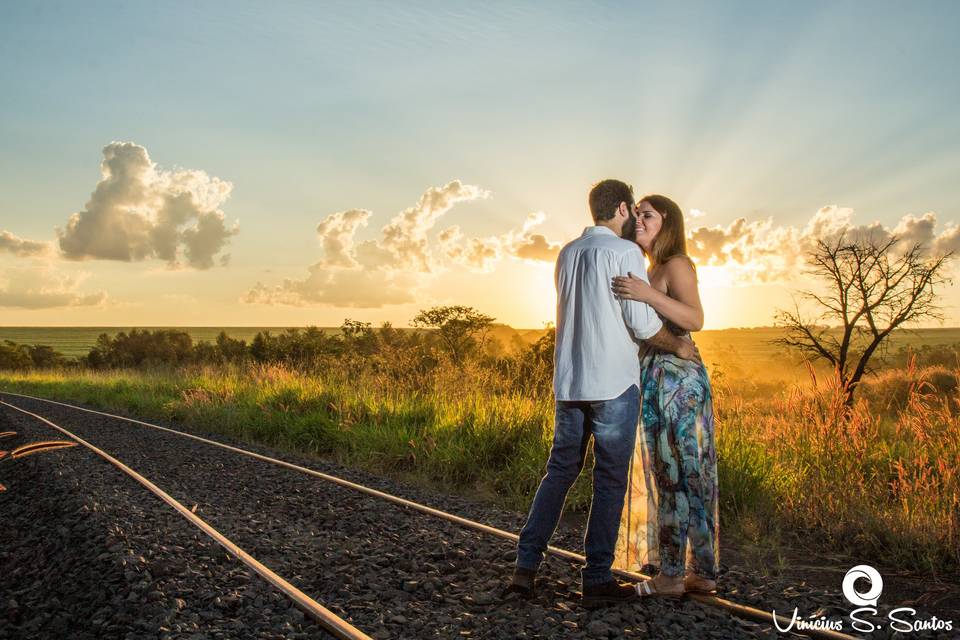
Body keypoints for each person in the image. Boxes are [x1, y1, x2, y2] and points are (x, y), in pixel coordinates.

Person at [503, 180, 701, 609]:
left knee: (559, 472)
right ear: (624, 210)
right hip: (613, 384)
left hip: (570, 383)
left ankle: (524, 569)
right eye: (637, 212)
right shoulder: (625, 253)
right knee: (609, 480)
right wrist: (679, 345)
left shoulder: (568, 253)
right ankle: (595, 580)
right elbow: (643, 325)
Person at [611, 194, 720, 598]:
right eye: (636, 214)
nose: (638, 219)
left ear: (667, 221)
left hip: (680, 379)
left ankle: (677, 575)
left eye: (647, 215)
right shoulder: (652, 266)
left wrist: (647, 294)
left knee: (682, 472)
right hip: (656, 375)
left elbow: (695, 318)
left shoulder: (675, 264)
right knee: (671, 473)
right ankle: (693, 573)